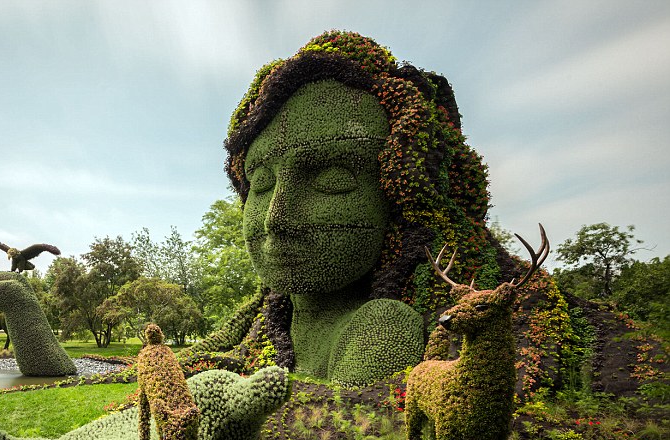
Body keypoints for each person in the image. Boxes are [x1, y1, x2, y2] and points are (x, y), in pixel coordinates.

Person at [200, 30, 496, 386]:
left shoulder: (381, 326)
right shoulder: (269, 329)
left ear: (399, 203)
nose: (276, 218)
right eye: (261, 182)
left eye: (334, 178)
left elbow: (343, 428)